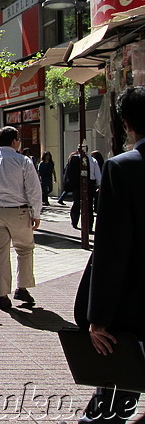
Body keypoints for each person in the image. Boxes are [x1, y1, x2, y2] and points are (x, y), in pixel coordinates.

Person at [73, 86, 145, 424]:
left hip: (133, 303)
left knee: (116, 389)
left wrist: (97, 316)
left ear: (127, 124)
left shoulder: (123, 168)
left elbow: (112, 248)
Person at [0, 126, 42, 310]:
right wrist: (36, 213)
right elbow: (33, 189)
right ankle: (22, 287)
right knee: (25, 249)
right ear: (14, 141)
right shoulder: (23, 161)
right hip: (18, 211)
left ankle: (2, 295)